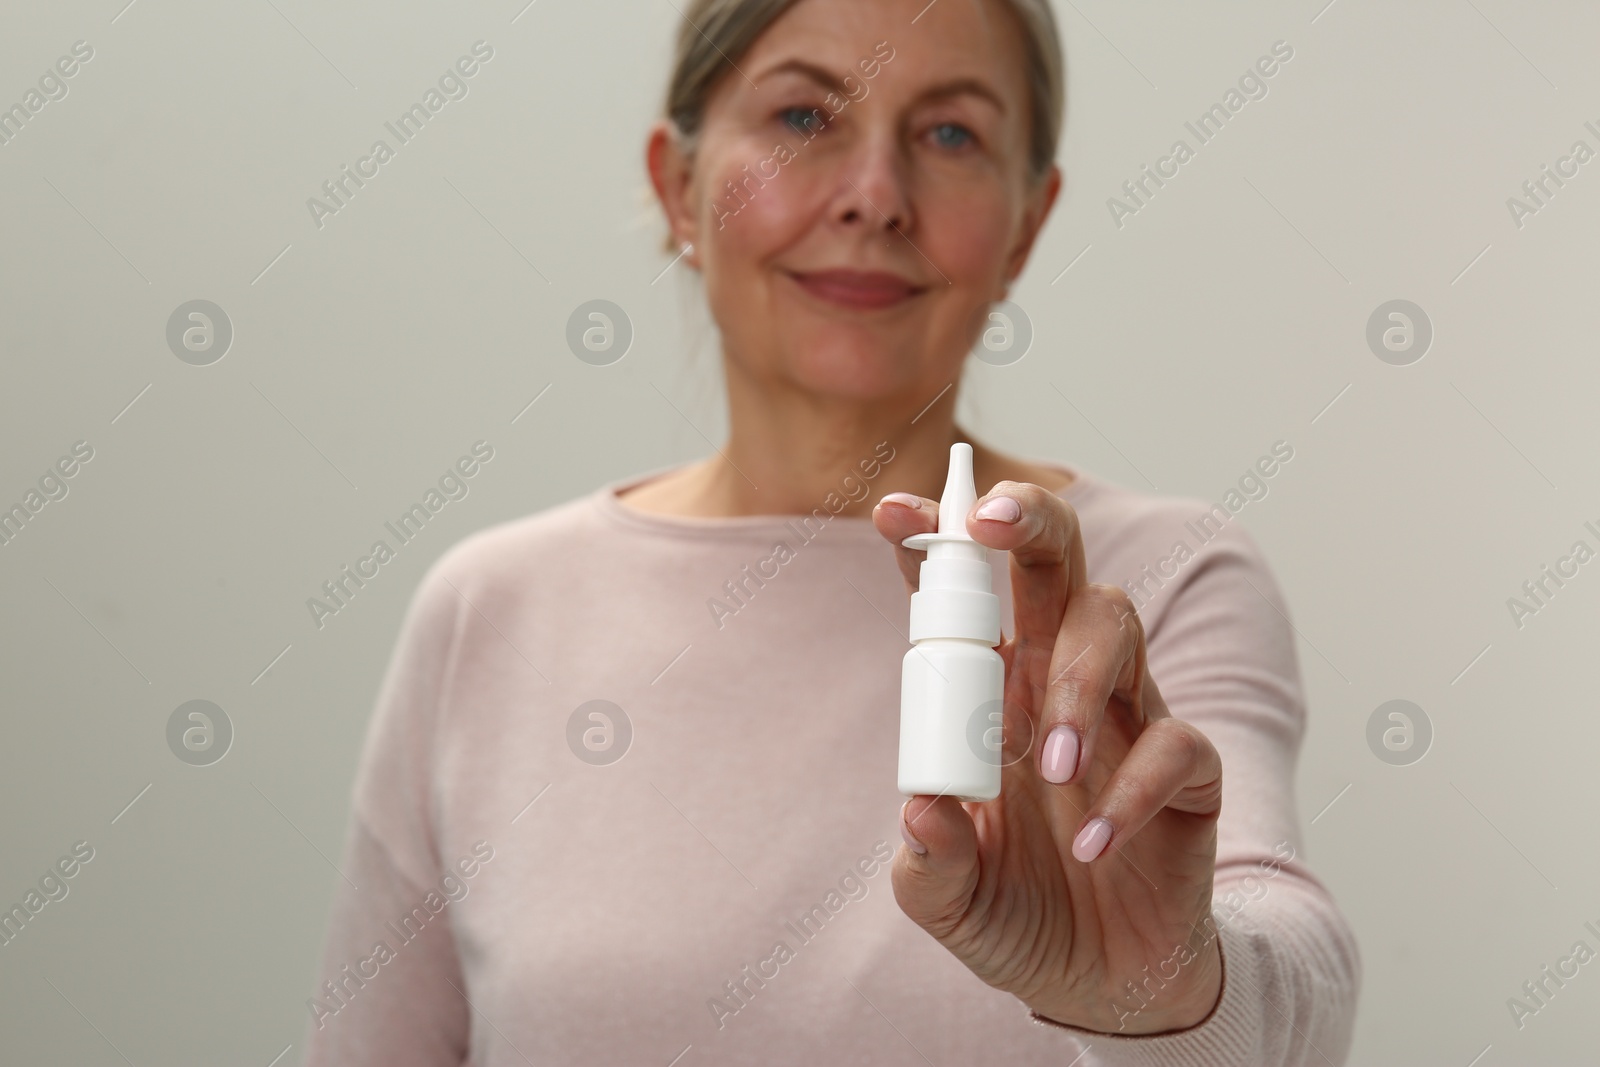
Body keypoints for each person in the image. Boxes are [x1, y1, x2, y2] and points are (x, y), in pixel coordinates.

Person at [302, 0, 1360, 1062]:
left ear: (1026, 226)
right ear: (679, 184)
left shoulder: (1151, 584)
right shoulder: (491, 608)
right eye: (804, 117)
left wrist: (1164, 992)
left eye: (950, 134)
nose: (873, 198)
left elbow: (1290, 982)